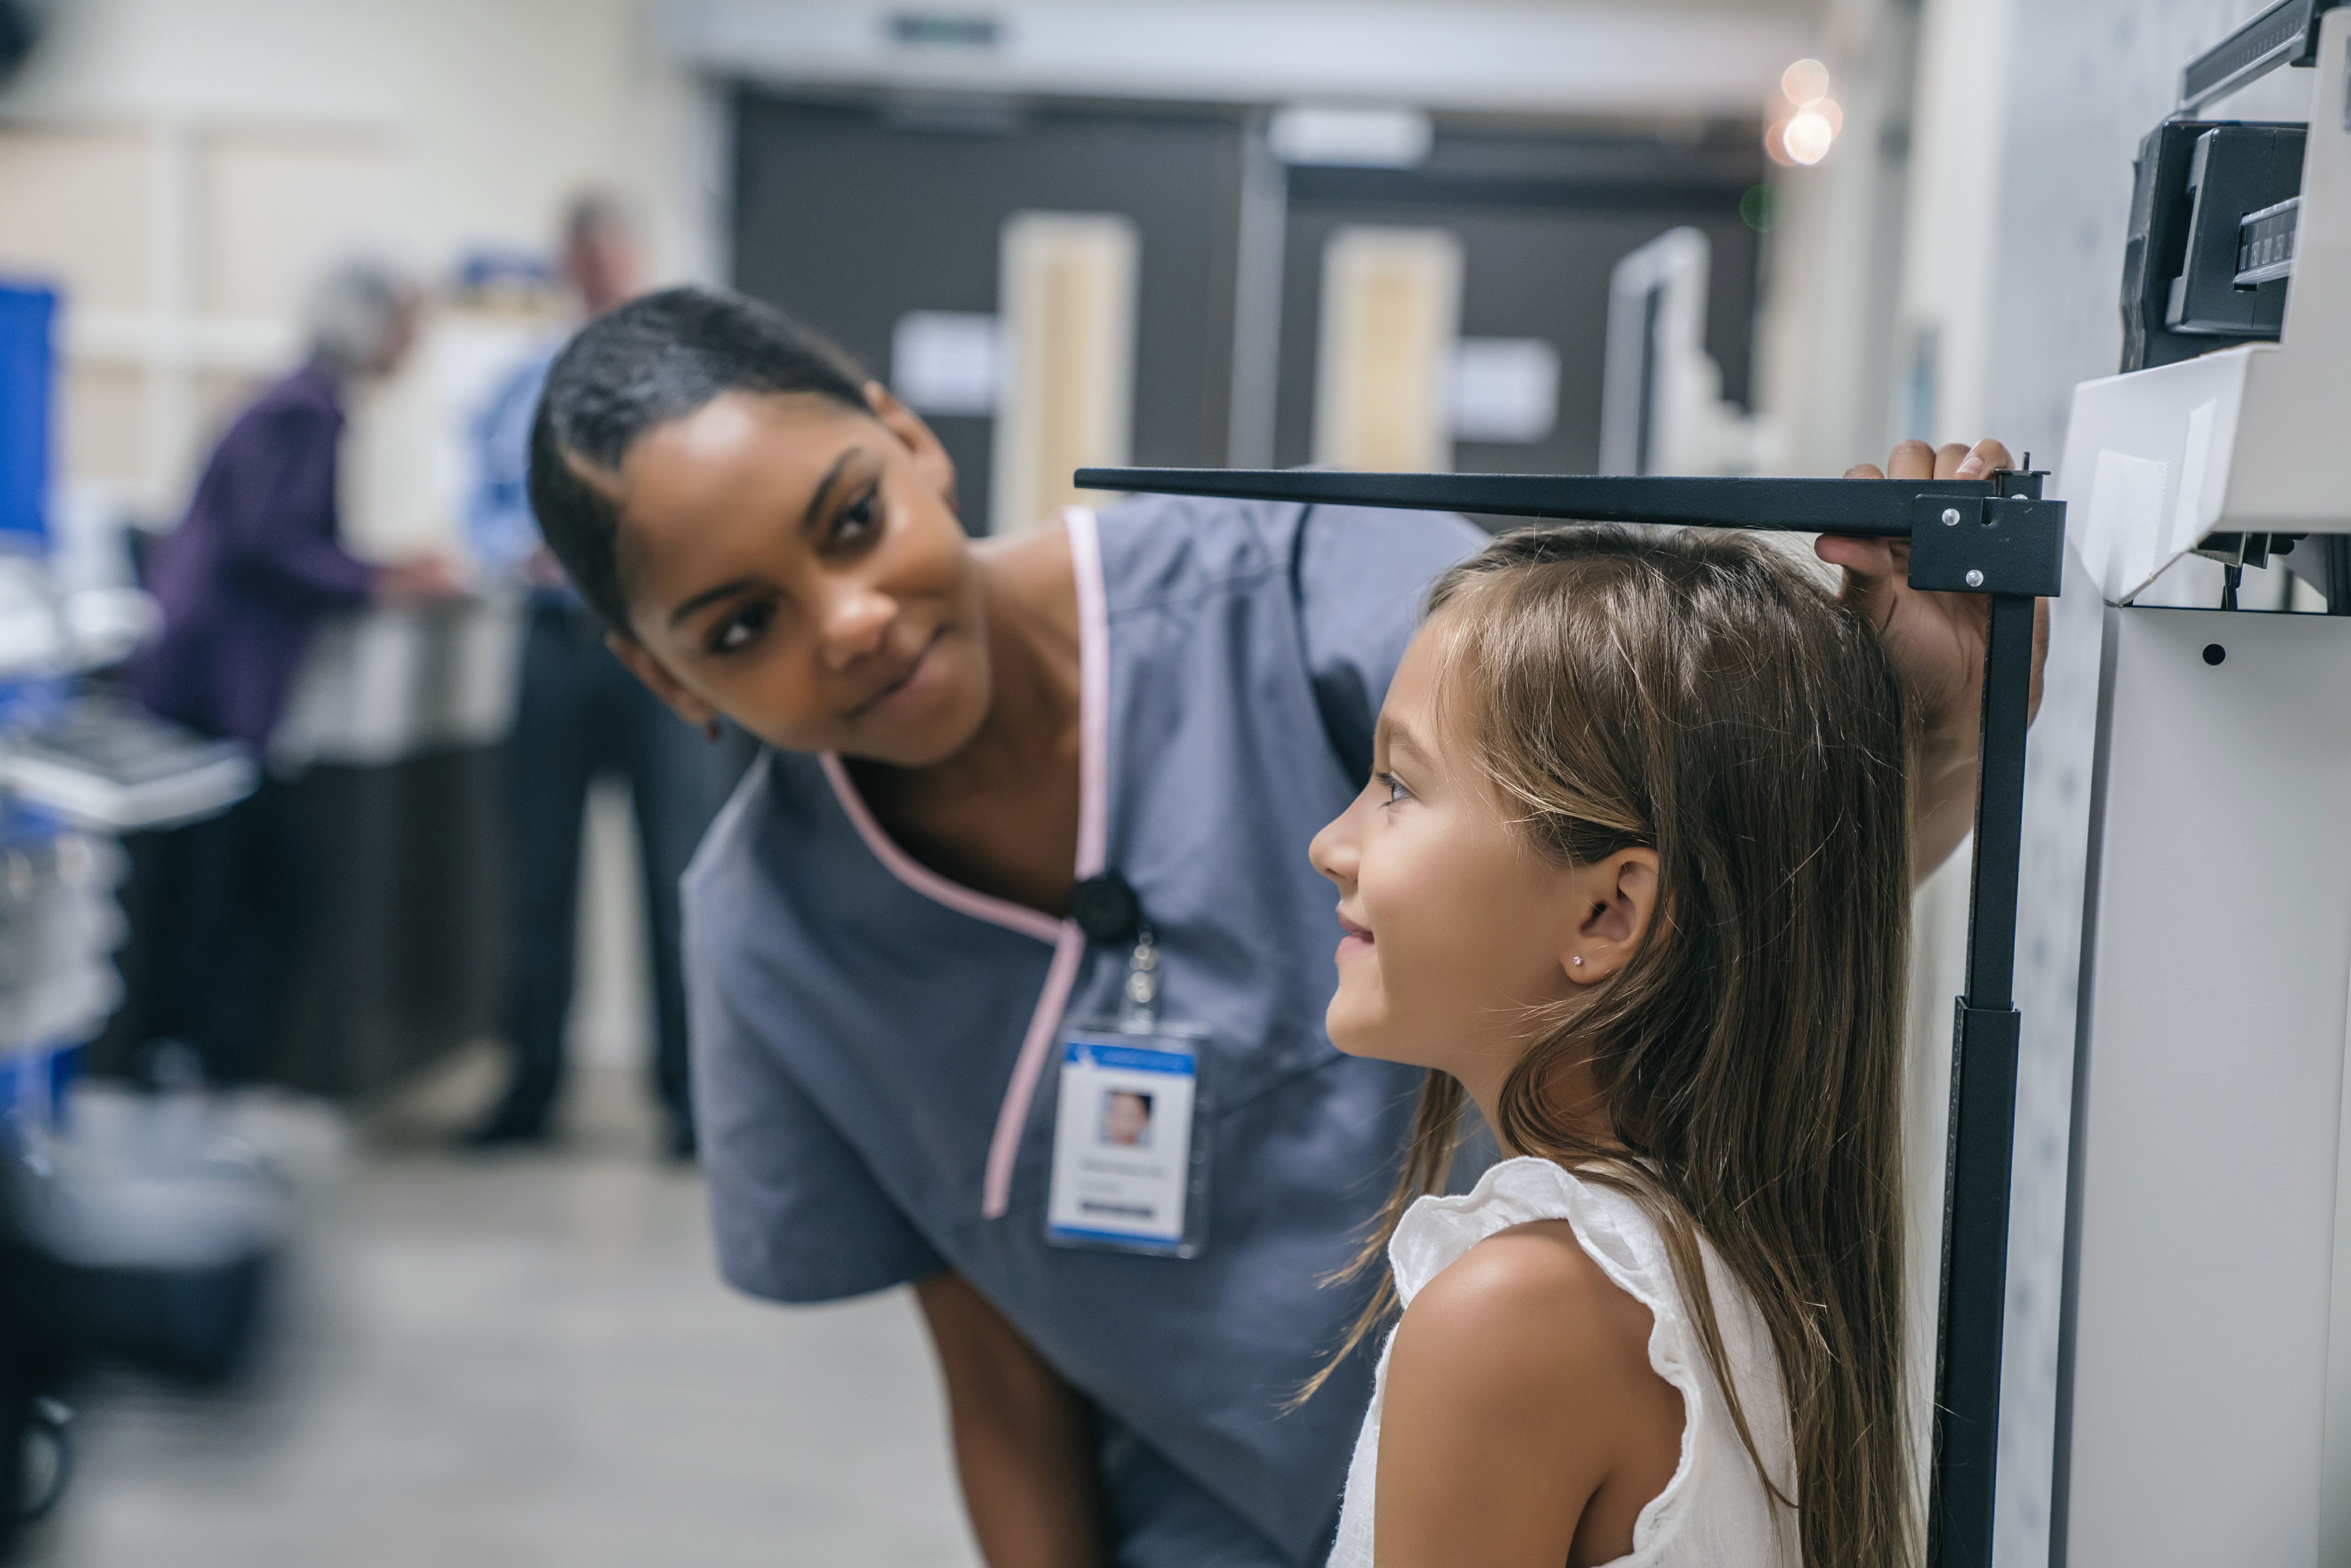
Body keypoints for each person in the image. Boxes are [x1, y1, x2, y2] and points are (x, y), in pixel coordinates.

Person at [522, 284, 2028, 1566]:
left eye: (849, 518)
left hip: (1580, 1466)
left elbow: (1691, 900)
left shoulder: (1302, 579)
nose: (842, 618)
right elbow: (998, 1379)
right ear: (661, 681)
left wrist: (1937, 742)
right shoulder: (771, 941)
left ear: (909, 438)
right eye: (737, 627)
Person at [1308, 526, 1913, 1567]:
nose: (1333, 843)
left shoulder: (1515, 1318)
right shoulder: (1743, 1252)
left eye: (1398, 787)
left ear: (1606, 915)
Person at [127, 256, 460, 1083]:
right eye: (407, 325)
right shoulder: (306, 411)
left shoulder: (296, 402)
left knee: (221, 886)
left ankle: (188, 1066)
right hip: (215, 686)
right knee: (224, 892)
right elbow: (268, 543)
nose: (414, 345)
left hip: (211, 681)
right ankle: (188, 1070)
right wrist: (381, 580)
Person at [464, 195, 729, 1157]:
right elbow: (482, 509)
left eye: (612, 263)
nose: (599, 280)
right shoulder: (516, 387)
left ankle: (689, 1106)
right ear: (565, 269)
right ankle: (528, 1090)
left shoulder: (689, 388)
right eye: (584, 265)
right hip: (550, 647)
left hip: (657, 654)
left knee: (674, 876)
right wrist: (517, 550)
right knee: (536, 879)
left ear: (637, 263)